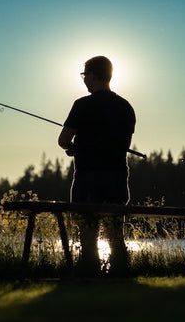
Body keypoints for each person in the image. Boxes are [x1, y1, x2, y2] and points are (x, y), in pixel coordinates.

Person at [58, 56, 136, 276]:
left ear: (93, 75)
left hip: (88, 179)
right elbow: (122, 143)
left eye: (84, 75)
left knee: (88, 234)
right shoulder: (125, 107)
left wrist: (74, 147)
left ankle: (88, 275)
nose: (83, 80)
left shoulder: (82, 105)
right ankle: (121, 276)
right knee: (115, 234)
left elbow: (63, 140)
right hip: (117, 179)